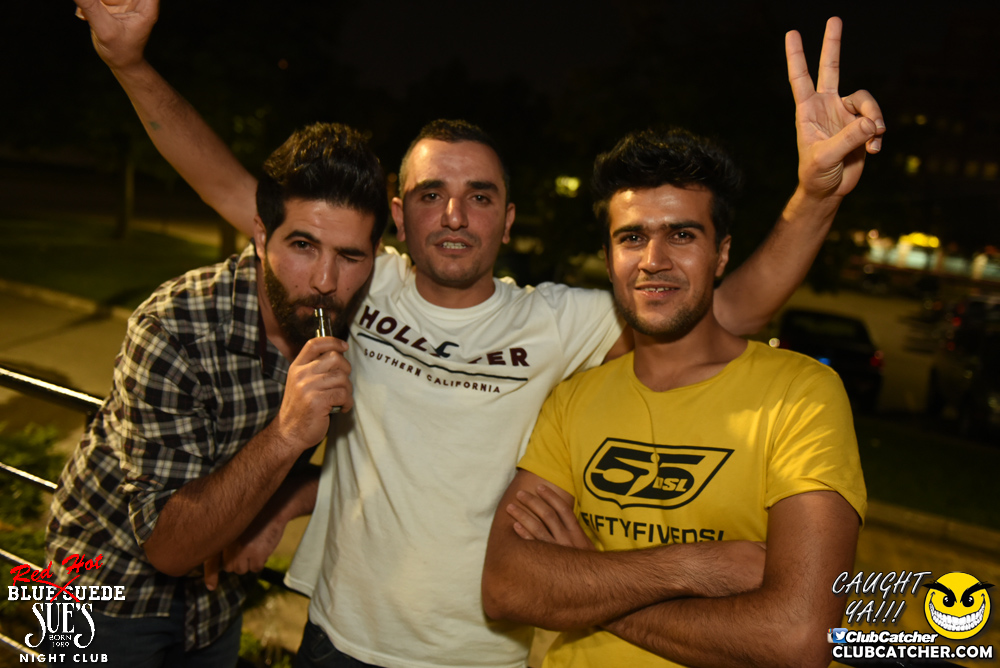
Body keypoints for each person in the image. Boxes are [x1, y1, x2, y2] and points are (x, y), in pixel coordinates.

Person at [72, 2, 884, 666]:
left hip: (482, 655)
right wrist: (129, 63)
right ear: (399, 215)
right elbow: (231, 186)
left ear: (509, 219)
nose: (455, 214)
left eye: (481, 196)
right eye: (432, 194)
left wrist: (815, 195)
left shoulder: (559, 320)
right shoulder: (359, 278)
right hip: (339, 641)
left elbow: (727, 309)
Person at [481, 127, 866, 668]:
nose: (653, 260)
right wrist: (695, 568)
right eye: (631, 238)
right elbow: (504, 586)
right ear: (609, 258)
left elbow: (799, 639)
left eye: (682, 235)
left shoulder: (799, 394)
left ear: (721, 254)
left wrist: (587, 586)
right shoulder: (573, 399)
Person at [45, 121, 389, 667]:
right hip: (94, 584)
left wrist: (279, 506)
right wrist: (286, 435)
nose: (325, 280)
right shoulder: (172, 328)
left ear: (376, 256)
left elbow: (382, 467)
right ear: (261, 236)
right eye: (303, 245)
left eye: (350, 256)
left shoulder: (356, 317)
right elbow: (167, 548)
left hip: (216, 597)